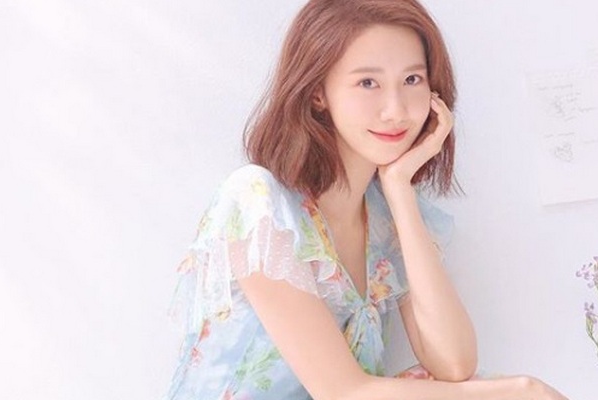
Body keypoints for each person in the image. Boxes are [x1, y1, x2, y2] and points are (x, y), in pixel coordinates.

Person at [165, 0, 569, 399]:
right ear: (318, 92)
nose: (395, 110)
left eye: (412, 79)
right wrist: (523, 390)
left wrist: (399, 190)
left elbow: (453, 365)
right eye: (368, 83)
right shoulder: (259, 204)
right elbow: (342, 391)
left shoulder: (384, 216)